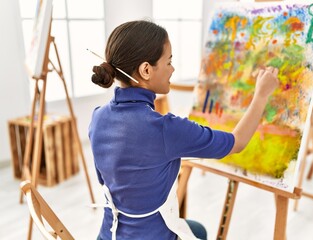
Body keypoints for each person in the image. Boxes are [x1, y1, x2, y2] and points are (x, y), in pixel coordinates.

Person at [89, 20, 279, 240]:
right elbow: (237, 142)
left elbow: (106, 180)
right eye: (169, 61)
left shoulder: (97, 117)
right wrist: (262, 95)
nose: (173, 69)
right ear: (146, 70)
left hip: (107, 235)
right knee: (198, 231)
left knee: (194, 229)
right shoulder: (165, 129)